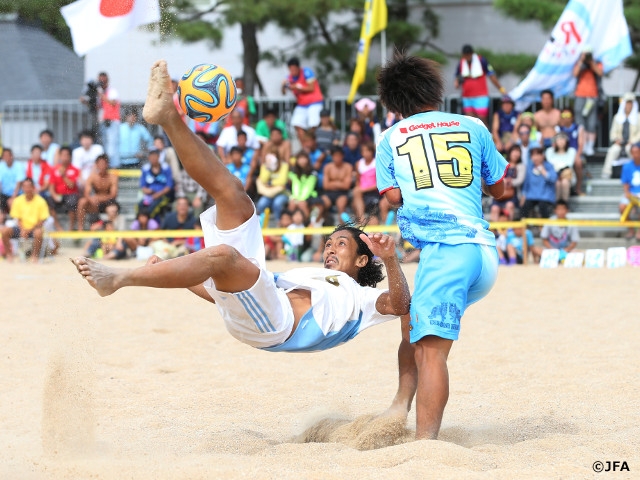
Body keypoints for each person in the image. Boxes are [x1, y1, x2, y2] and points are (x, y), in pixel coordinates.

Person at [72, 59, 410, 357]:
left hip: (276, 327)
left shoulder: (363, 298)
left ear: (363, 259)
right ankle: (169, 118)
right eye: (330, 242)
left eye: (340, 244)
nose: (329, 248)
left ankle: (119, 277)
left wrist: (392, 259)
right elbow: (228, 291)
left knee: (223, 255)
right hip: (260, 304)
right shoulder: (303, 274)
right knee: (234, 194)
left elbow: (400, 304)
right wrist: (174, 272)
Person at [375, 53, 507, 439]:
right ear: (435, 90)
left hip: (445, 252)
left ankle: (425, 446)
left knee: (430, 352)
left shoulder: (391, 138)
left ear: (393, 103)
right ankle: (401, 408)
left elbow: (394, 198)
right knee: (417, 336)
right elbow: (499, 187)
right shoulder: (474, 126)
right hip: (482, 251)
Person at [454, 44, 507, 126]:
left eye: (469, 54)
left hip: (481, 95)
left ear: (472, 53)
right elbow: (457, 78)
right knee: (470, 120)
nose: (467, 57)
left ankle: (485, 136)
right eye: (465, 55)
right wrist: (457, 82)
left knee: (482, 119)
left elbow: (492, 76)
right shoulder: (461, 63)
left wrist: (501, 89)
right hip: (467, 96)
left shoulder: (482, 60)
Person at [1, 177, 50, 263]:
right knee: (4, 231)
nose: (27, 189)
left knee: (38, 232)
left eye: (28, 186)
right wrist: (23, 229)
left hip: (34, 229)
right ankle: (9, 255)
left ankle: (34, 256)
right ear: (22, 188)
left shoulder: (41, 201)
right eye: (24, 186)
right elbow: (18, 218)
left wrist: (27, 230)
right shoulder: (18, 200)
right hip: (21, 228)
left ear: (33, 187)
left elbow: (42, 221)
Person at [282, 57, 325, 143]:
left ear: (298, 68)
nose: (293, 72)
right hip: (302, 104)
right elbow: (284, 92)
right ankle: (305, 146)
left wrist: (297, 87)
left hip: (314, 102)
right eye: (291, 70)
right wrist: (283, 86)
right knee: (296, 124)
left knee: (314, 125)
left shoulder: (306, 72)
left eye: (294, 69)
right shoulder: (289, 77)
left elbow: (311, 88)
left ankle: (312, 145)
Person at [572, 45, 604, 156]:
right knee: (580, 120)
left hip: (593, 95)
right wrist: (581, 61)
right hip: (580, 94)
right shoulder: (579, 63)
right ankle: (583, 144)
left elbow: (600, 73)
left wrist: (591, 62)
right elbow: (575, 74)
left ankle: (590, 145)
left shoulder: (596, 62)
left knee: (592, 121)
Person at [601, 93, 640, 179]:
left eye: (630, 103)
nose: (629, 106)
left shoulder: (638, 117)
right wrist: (617, 140)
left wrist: (632, 141)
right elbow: (613, 133)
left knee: (632, 150)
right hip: (620, 143)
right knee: (612, 150)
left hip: (632, 143)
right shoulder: (617, 117)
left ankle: (636, 172)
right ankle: (606, 173)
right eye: (627, 103)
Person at [77, 154, 119, 230]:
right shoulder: (93, 176)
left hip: (108, 202)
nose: (102, 166)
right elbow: (86, 192)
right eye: (100, 164)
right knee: (82, 201)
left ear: (107, 164)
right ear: (96, 165)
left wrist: (99, 198)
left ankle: (110, 230)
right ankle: (80, 228)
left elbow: (113, 195)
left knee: (111, 208)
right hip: (96, 203)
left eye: (104, 164)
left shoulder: (113, 177)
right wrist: (90, 199)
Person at [48, 146, 81, 231]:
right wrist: (54, 195)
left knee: (72, 201)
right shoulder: (54, 169)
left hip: (70, 194)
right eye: (62, 155)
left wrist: (63, 175)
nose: (65, 157)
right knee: (49, 201)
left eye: (67, 155)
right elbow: (51, 187)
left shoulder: (75, 170)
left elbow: (71, 185)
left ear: (70, 157)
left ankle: (71, 227)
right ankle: (58, 226)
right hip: (58, 195)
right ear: (59, 156)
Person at [520, 147, 557, 219]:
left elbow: (553, 179)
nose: (535, 158)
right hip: (531, 195)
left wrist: (543, 171)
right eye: (533, 155)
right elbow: (526, 183)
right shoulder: (530, 167)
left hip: (545, 196)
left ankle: (545, 228)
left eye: (537, 155)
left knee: (542, 206)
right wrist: (523, 195)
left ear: (543, 156)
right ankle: (523, 228)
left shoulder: (549, 166)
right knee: (524, 207)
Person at [138, 148, 174, 219]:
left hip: (163, 195)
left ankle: (148, 222)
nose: (153, 158)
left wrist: (158, 194)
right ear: (149, 158)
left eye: (155, 156)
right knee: (140, 205)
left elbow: (169, 186)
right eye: (151, 156)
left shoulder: (166, 168)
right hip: (149, 196)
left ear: (159, 157)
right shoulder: (145, 169)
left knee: (153, 208)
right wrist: (148, 191)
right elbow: (143, 186)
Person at [96, 72, 121, 167]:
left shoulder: (112, 91)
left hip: (113, 121)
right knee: (105, 145)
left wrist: (101, 95)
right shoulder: (101, 94)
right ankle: (106, 165)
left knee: (112, 145)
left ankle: (114, 166)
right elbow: (98, 107)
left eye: (103, 80)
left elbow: (113, 102)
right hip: (104, 121)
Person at [545, 132, 577, 202]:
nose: (561, 142)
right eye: (559, 139)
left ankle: (565, 204)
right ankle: (556, 205)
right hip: (554, 175)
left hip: (567, 175)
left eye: (563, 139)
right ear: (555, 141)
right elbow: (550, 165)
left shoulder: (572, 151)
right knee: (557, 183)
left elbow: (569, 164)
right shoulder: (549, 151)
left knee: (565, 182)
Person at [618, 143, 640, 240]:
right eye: (633, 152)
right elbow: (625, 184)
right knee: (622, 207)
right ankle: (631, 230)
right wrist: (628, 195)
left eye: (637, 152)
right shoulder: (627, 166)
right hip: (631, 193)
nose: (635, 155)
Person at [0, 148, 25, 214]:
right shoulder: (1, 166)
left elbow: (19, 183)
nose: (6, 157)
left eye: (8, 155)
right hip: (4, 194)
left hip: (17, 194)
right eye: (4, 156)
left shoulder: (19, 166)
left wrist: (13, 197)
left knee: (12, 202)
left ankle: (14, 220)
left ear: (12, 156)